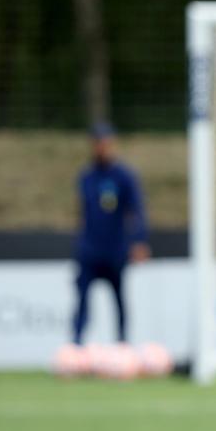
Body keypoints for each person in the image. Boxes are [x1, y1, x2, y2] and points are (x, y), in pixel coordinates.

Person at [72, 122, 149, 345]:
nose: (101, 148)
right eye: (97, 143)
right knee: (82, 299)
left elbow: (137, 210)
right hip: (89, 250)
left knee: (119, 299)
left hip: (116, 250)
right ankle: (76, 346)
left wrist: (139, 240)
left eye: (105, 143)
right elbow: (84, 214)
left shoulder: (124, 176)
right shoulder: (86, 177)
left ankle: (122, 343)